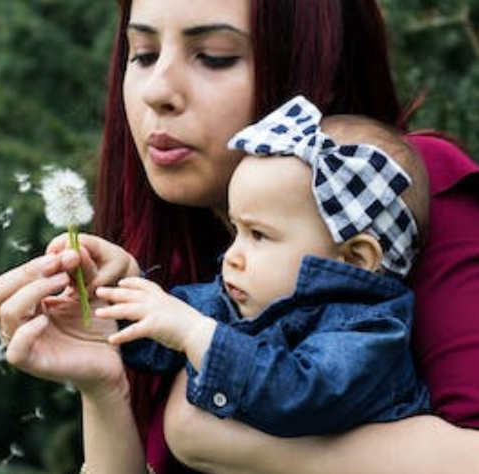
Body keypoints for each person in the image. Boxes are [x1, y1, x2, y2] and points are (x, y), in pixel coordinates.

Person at [0, 0, 479, 473]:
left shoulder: (396, 191)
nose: (158, 90)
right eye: (143, 54)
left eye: (214, 57)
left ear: (310, 59)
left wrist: (207, 435)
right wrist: (102, 376)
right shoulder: (198, 258)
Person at [94, 95, 431, 437]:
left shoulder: (371, 333)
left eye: (258, 234)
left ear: (356, 259)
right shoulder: (246, 299)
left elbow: (300, 395)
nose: (231, 256)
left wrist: (197, 334)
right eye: (236, 231)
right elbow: (167, 326)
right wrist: (109, 303)